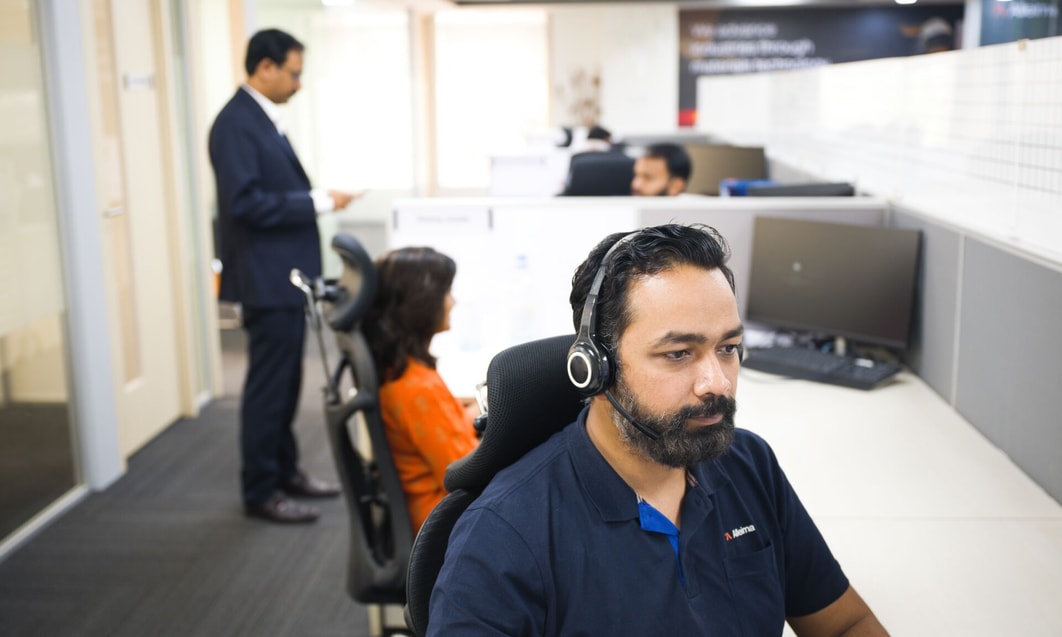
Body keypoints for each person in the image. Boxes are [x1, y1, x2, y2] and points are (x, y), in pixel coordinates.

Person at [428, 224, 888, 635]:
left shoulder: (748, 464)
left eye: (728, 347)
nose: (717, 383)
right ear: (595, 369)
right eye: (678, 354)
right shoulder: (503, 535)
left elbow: (845, 624)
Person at [209, 28, 360, 524]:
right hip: (265, 278)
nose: (299, 84)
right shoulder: (236, 124)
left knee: (287, 382)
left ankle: (286, 471)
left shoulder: (260, 119)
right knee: (269, 388)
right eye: (293, 74)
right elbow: (245, 204)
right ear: (265, 67)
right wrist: (318, 201)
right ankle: (260, 490)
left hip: (281, 277)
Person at [363, 247, 479, 534]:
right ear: (421, 303)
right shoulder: (418, 389)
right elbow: (471, 475)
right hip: (445, 525)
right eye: (446, 292)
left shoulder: (398, 372)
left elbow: (440, 434)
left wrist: (472, 412)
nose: (453, 302)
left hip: (429, 511)